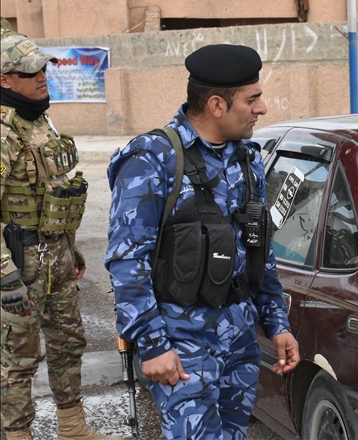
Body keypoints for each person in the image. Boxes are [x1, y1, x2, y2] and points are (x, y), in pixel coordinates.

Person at [105, 44, 300, 439]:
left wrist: (277, 323)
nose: (262, 108)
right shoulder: (152, 159)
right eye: (252, 99)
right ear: (216, 105)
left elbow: (259, 247)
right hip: (181, 344)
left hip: (239, 340)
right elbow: (127, 261)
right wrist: (153, 345)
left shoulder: (246, 158)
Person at [0, 25, 120, 440]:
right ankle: (18, 434)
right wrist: (6, 276)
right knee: (18, 357)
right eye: (30, 72)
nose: (41, 77)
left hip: (56, 257)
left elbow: (54, 192)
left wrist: (71, 248)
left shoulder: (40, 121)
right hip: (18, 263)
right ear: (5, 80)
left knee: (68, 342)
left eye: (43, 69)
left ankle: (71, 425)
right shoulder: (4, 130)